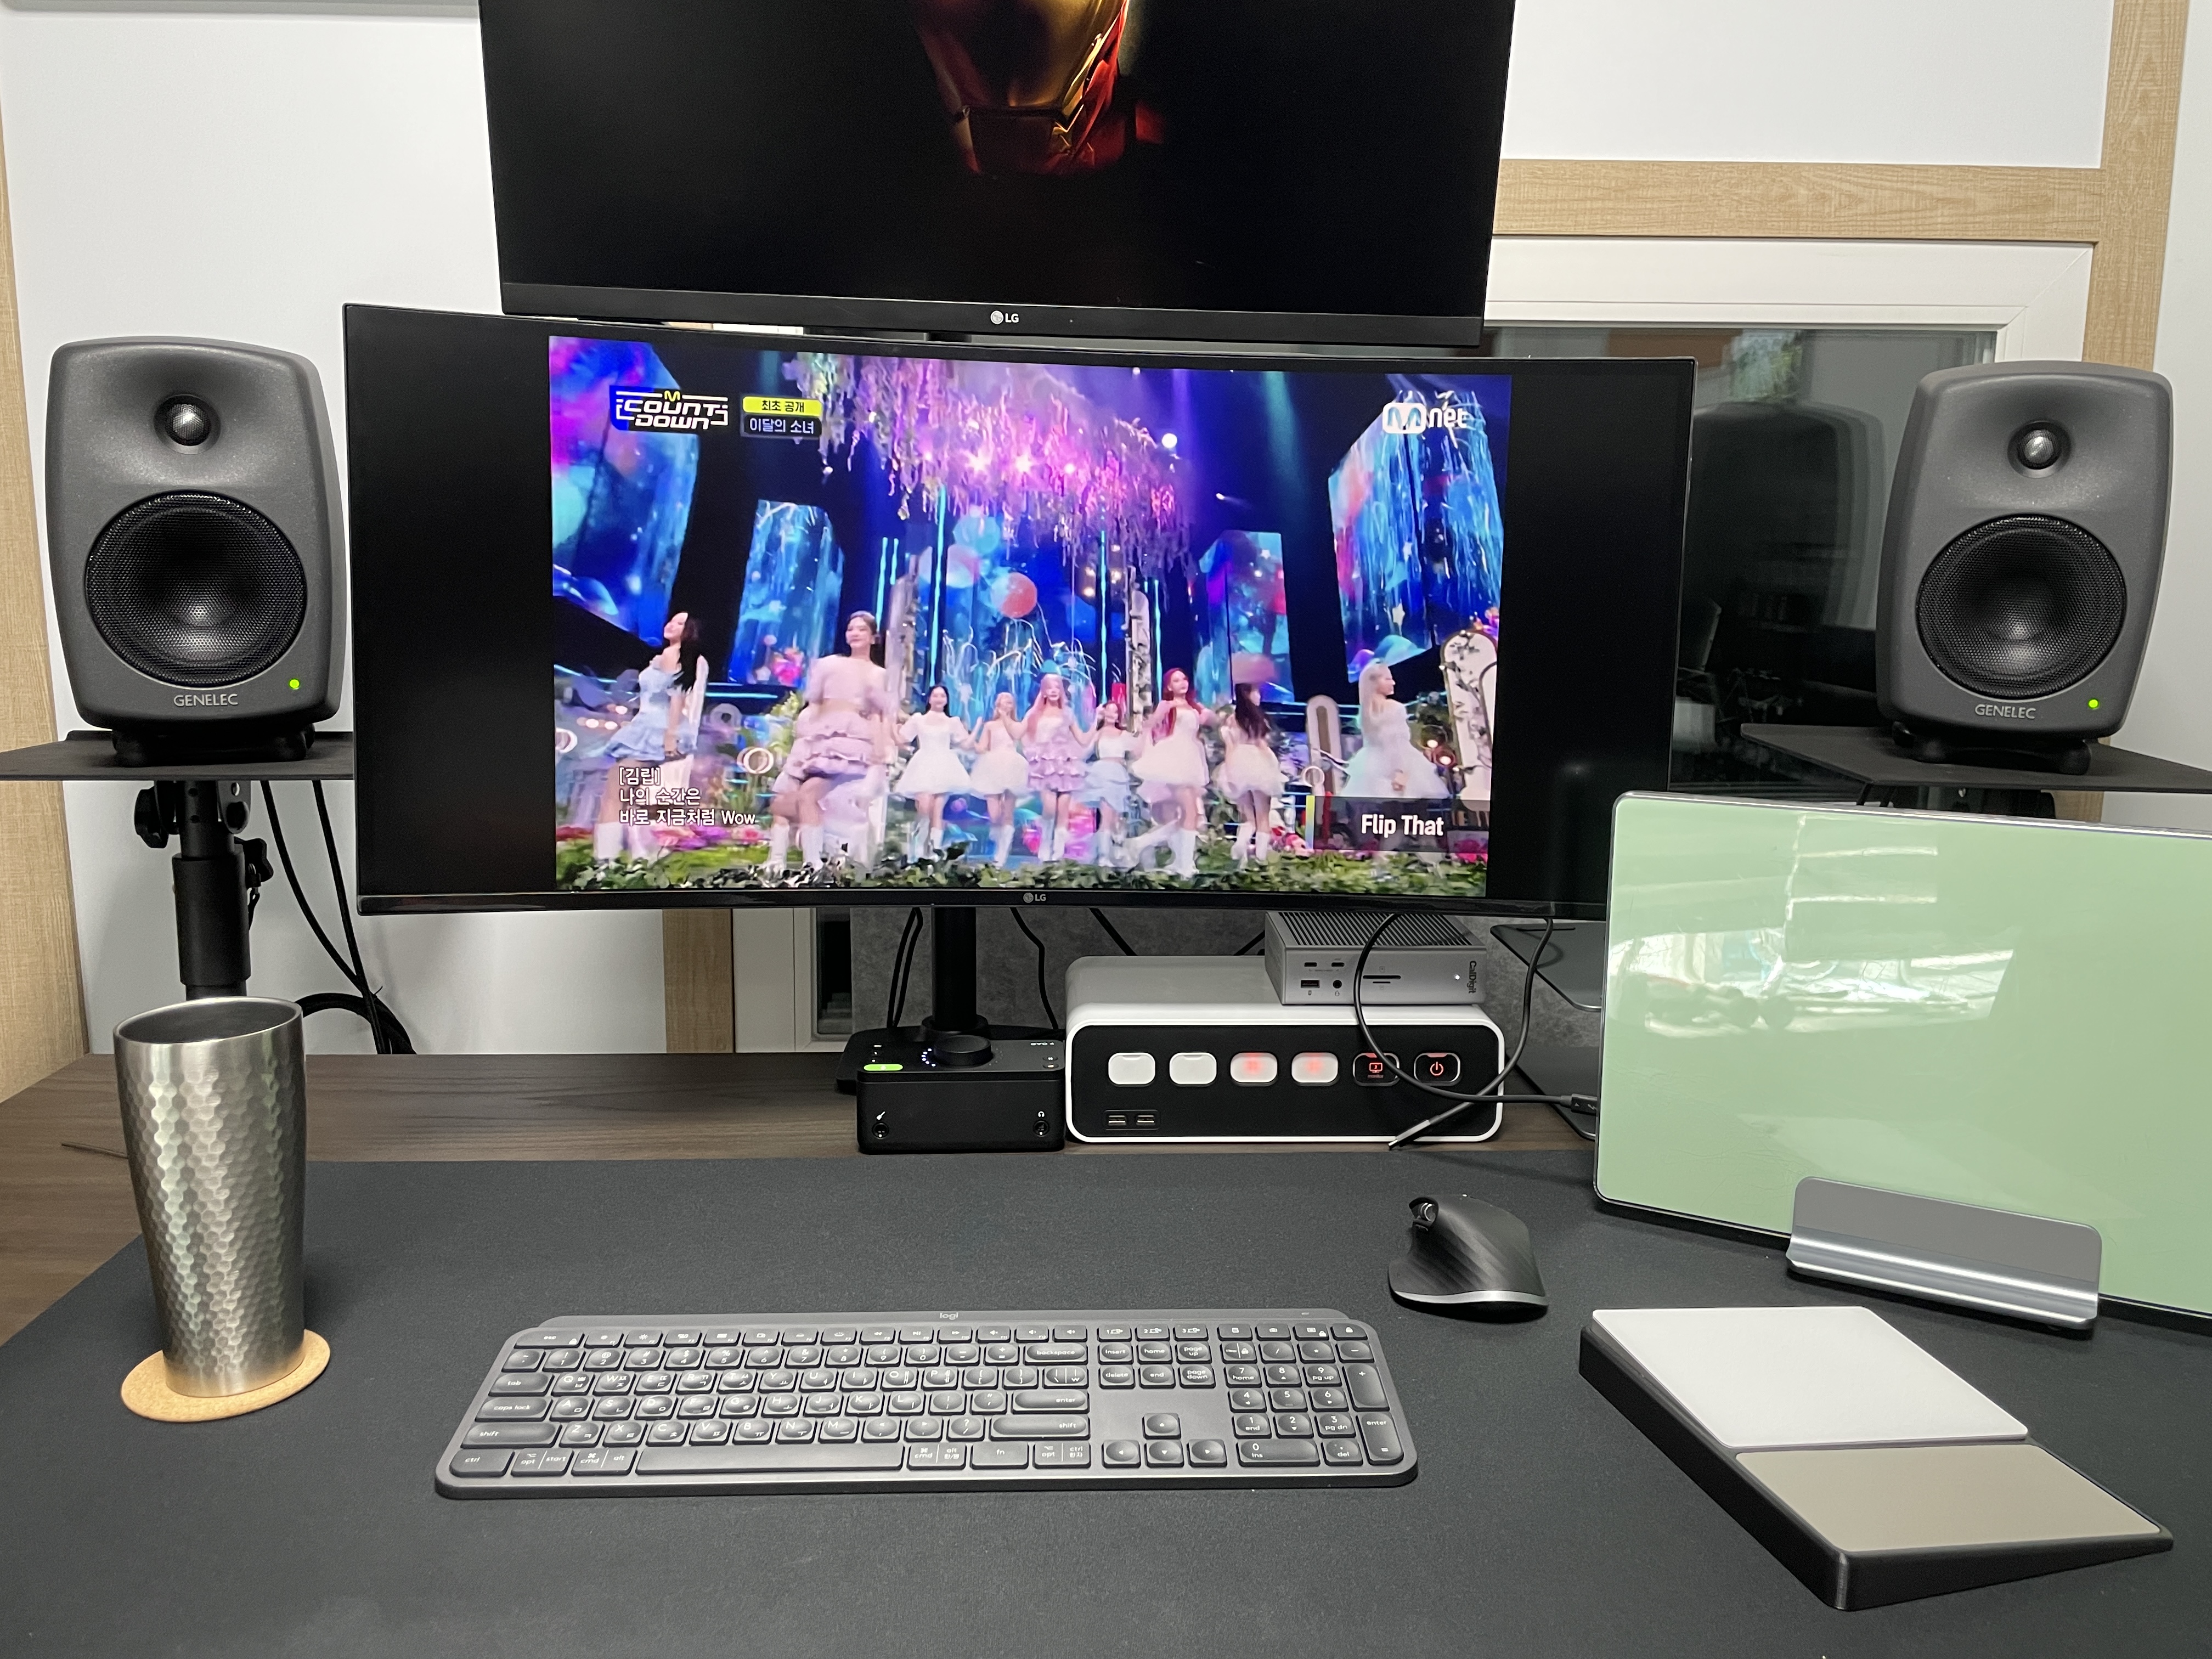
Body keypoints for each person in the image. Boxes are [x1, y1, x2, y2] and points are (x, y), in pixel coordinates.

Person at [765, 611, 895, 872]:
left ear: (874, 637)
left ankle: (813, 864)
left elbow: (878, 714)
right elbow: (814, 701)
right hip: (816, 738)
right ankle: (776, 862)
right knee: (782, 804)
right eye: (851, 629)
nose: (855, 633)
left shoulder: (877, 673)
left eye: (862, 629)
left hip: (848, 744)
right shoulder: (828, 664)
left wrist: (881, 750)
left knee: (808, 796)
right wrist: (805, 731)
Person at [592, 611, 707, 862]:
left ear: (689, 632)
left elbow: (676, 697)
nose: (672, 625)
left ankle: (605, 862)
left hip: (653, 729)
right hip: (647, 726)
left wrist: (670, 735)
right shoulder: (668, 656)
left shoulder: (674, 655)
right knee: (628, 797)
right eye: (672, 620)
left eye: (680, 623)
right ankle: (643, 855)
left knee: (615, 793)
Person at [1126, 667, 1212, 877]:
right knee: (1190, 812)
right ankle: (1184, 865)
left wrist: (1208, 716)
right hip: (1175, 758)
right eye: (1176, 681)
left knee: (1190, 815)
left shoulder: (1193, 706)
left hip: (1191, 758)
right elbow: (1151, 725)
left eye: (1184, 679)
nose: (1183, 683)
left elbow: (1199, 728)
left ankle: (1152, 849)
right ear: (1169, 686)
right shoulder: (1168, 705)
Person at [1343, 660, 1448, 800]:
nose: (1393, 683)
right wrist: (1400, 771)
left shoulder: (1365, 715)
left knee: (1384, 810)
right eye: (1387, 679)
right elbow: (1397, 743)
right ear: (1374, 682)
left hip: (1371, 767)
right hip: (1400, 765)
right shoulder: (1394, 708)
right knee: (1411, 808)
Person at [894, 685, 973, 861]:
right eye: (935, 695)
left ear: (947, 700)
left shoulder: (952, 722)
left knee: (937, 811)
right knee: (924, 809)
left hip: (944, 766)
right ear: (929, 699)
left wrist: (975, 730)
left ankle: (934, 853)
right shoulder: (918, 719)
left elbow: (965, 743)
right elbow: (903, 739)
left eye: (942, 696)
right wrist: (890, 726)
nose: (939, 699)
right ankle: (917, 853)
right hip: (923, 764)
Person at [1021, 672, 1090, 862]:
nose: (1053, 691)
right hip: (1046, 766)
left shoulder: (1067, 713)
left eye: (1057, 687)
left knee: (1063, 811)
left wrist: (1097, 725)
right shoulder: (1035, 713)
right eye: (1050, 688)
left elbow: (1082, 738)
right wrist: (1031, 753)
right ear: (1043, 691)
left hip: (1065, 765)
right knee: (1050, 809)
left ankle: (1058, 854)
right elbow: (1024, 734)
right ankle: (1045, 846)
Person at [1216, 682, 1283, 866]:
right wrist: (1274, 766)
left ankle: (1241, 843)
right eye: (1257, 693)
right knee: (1263, 816)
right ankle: (1261, 858)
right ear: (1248, 694)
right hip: (1258, 762)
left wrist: (1230, 771)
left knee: (1248, 818)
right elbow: (1262, 745)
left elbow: (1230, 748)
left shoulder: (1231, 720)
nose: (1259, 697)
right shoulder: (1257, 719)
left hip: (1238, 763)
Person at [966, 690, 1032, 868]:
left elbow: (1020, 739)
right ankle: (996, 838)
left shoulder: (1017, 725)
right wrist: (973, 735)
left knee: (1008, 813)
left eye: (1009, 701)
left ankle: (1002, 854)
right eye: (1003, 700)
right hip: (992, 766)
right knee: (995, 815)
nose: (1006, 704)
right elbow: (982, 747)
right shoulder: (990, 725)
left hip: (1012, 766)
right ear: (997, 704)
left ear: (1013, 706)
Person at [1076, 697, 1138, 867]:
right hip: (1103, 774)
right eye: (1109, 711)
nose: (1112, 714)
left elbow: (1137, 751)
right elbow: (1084, 752)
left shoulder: (1123, 734)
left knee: (1116, 818)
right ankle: (1104, 857)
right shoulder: (1098, 733)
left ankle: (1112, 853)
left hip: (1119, 776)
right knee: (1107, 815)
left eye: (1115, 711)